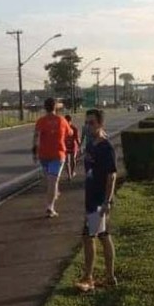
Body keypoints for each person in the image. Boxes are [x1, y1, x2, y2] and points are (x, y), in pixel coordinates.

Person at [75, 109, 118, 292]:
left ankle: (88, 278)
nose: (88, 125)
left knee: (90, 236)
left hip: (99, 200)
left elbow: (112, 176)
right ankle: (108, 277)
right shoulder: (92, 144)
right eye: (86, 122)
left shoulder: (106, 148)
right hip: (91, 197)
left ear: (100, 124)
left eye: (92, 122)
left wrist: (107, 201)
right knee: (102, 235)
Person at [32, 97, 70, 217]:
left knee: (51, 180)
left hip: (44, 155)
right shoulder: (62, 120)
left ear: (45, 107)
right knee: (52, 180)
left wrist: (34, 152)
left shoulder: (40, 121)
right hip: (57, 154)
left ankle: (52, 200)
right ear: (55, 107)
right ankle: (50, 207)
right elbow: (70, 133)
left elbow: (36, 137)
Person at [63, 114, 81, 181]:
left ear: (70, 121)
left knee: (72, 160)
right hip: (66, 146)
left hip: (73, 146)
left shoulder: (74, 128)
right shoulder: (63, 128)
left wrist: (79, 146)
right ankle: (69, 175)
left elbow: (77, 139)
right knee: (67, 161)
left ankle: (72, 172)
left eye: (68, 121)